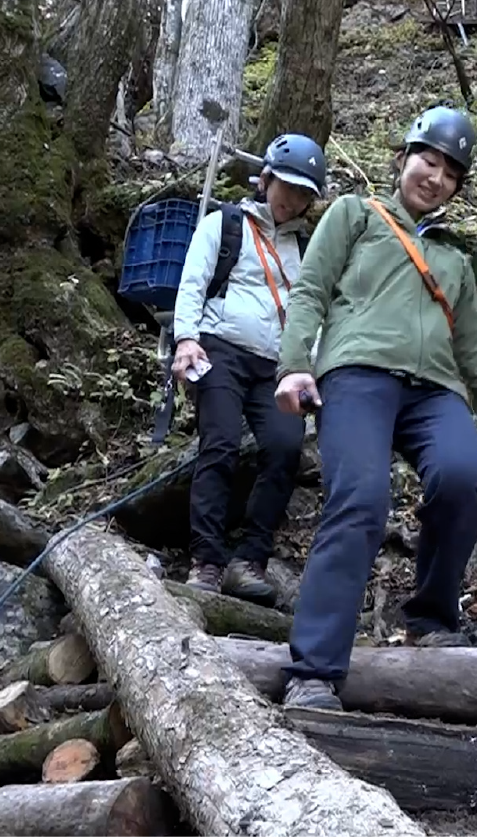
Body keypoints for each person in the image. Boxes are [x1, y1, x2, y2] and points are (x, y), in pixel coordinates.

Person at [271, 106, 477, 711]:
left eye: (451, 173)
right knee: (361, 500)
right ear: (403, 159)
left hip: (435, 390)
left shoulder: (454, 259)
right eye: (429, 161)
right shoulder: (355, 214)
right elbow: (311, 289)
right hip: (357, 374)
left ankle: (431, 618)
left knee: (462, 479)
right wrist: (295, 363)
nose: (436, 178)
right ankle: (314, 670)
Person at [169, 133, 328, 607]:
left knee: (284, 447)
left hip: (279, 365)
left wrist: (312, 368)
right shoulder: (225, 223)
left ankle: (250, 560)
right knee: (219, 443)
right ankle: (206, 562)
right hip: (219, 349)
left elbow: (313, 311)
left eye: (302, 193)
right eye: (286, 186)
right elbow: (193, 281)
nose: (291, 199)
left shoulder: (307, 249)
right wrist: (186, 338)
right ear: (265, 180)